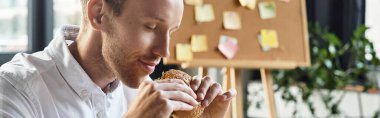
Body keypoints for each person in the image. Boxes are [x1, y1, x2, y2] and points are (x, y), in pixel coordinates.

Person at [0, 0, 237, 117]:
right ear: (99, 14)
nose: (165, 51)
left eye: (171, 31)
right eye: (151, 27)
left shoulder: (148, 94)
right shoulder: (14, 90)